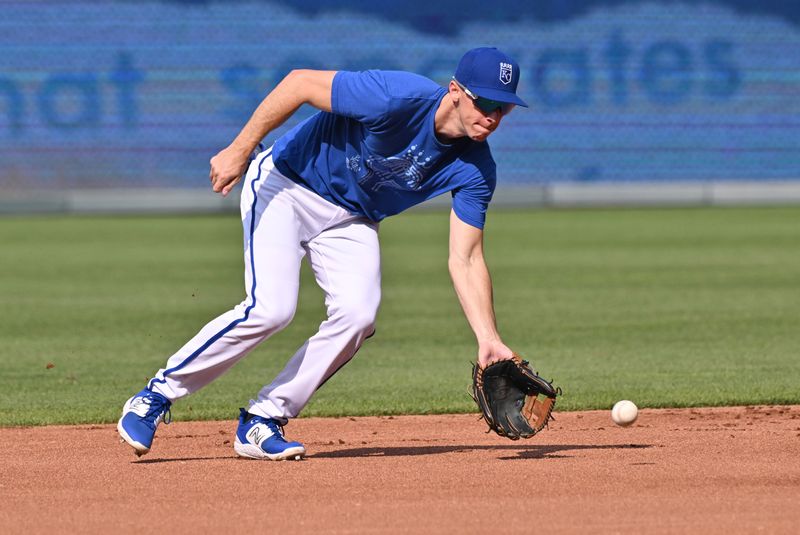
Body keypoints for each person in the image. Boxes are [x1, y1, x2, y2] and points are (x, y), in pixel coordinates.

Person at [117, 46, 528, 461]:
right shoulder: (396, 97)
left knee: (358, 316)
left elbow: (467, 257)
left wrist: (488, 338)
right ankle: (154, 397)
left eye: (504, 107)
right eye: (486, 101)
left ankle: (264, 418)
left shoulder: (476, 168)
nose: (493, 116)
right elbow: (298, 82)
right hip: (288, 184)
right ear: (456, 90)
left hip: (353, 218)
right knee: (270, 309)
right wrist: (241, 148)